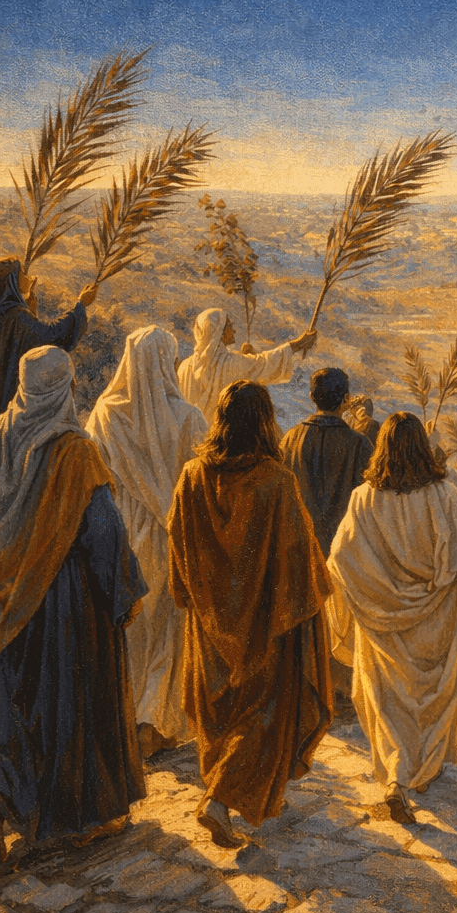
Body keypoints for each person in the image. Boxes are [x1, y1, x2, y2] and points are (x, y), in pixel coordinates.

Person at [0, 346, 146, 860]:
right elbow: (102, 532)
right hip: (66, 602)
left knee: (15, 709)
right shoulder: (74, 451)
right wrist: (125, 591)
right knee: (65, 706)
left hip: (5, 605)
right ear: (64, 386)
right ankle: (76, 820)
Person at [327, 414, 457, 823]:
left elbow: (339, 560)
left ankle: (396, 778)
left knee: (389, 701)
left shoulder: (363, 497)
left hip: (383, 625)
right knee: (432, 699)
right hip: (438, 619)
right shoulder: (444, 494)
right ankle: (424, 770)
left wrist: (374, 592)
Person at [169, 381, 333, 848]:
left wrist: (195, 599)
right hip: (264, 629)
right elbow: (298, 558)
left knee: (220, 715)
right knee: (260, 715)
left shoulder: (191, 476)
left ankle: (219, 796)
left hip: (209, 625)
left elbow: (177, 547)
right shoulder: (275, 481)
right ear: (264, 421)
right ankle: (219, 800)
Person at [85, 326, 208, 757]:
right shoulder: (190, 417)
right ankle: (154, 724)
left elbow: (92, 477)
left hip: (119, 534)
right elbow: (205, 481)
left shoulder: (103, 412)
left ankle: (125, 719)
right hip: (172, 537)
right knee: (167, 633)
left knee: (131, 631)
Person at [0, 255, 96, 450]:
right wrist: (80, 305)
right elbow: (51, 335)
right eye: (22, 274)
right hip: (9, 412)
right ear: (12, 281)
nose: (28, 277)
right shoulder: (18, 318)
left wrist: (30, 313)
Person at [281, 368, 375, 557]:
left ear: (311, 396)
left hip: (301, 547)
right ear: (346, 399)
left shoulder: (290, 438)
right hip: (344, 550)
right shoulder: (360, 443)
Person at [176, 308, 318, 422]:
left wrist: (244, 357)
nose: (234, 330)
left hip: (192, 440)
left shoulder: (184, 367)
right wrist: (297, 344)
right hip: (221, 442)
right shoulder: (231, 363)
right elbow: (263, 363)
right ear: (219, 332)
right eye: (230, 326)